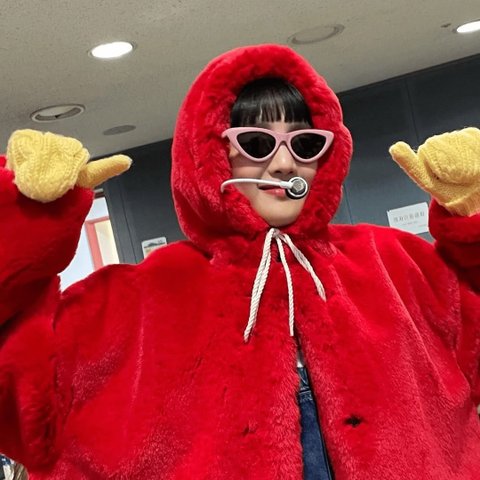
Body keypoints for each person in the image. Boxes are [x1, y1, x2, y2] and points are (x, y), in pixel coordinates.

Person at [0, 44, 478, 479]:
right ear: (211, 153)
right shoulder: (130, 301)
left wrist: (472, 223)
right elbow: (21, 405)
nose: (285, 164)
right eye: (257, 143)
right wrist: (25, 224)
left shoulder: (396, 264)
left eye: (305, 144)